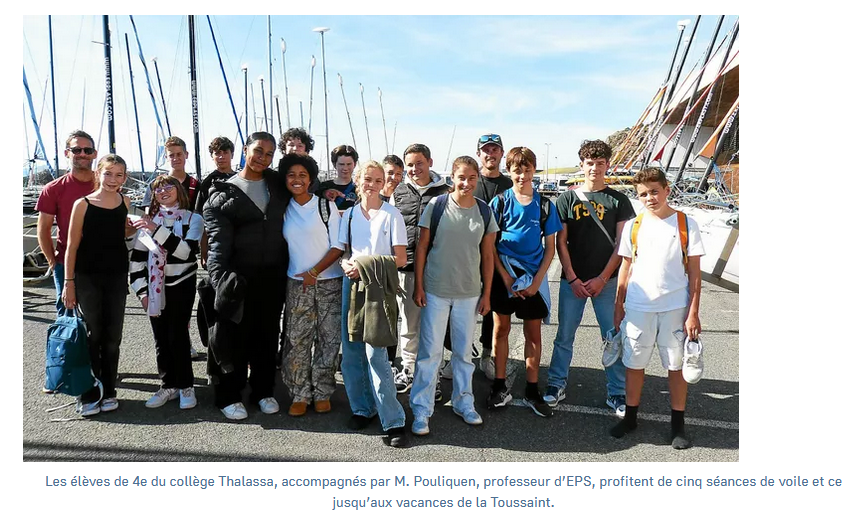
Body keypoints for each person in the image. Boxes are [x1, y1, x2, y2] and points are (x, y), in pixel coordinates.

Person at [611, 167, 704, 449]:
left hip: (675, 306)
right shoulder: (634, 226)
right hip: (638, 307)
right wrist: (618, 304)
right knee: (633, 363)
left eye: (654, 191)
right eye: (643, 194)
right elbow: (625, 267)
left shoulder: (686, 224)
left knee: (676, 366)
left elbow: (694, 273)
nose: (650, 198)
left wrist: (693, 312)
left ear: (666, 190)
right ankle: (630, 417)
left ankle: (677, 424)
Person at [545, 139, 636, 417]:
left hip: (606, 282)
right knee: (564, 335)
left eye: (600, 163)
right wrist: (573, 278)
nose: (594, 168)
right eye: (589, 163)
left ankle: (616, 391)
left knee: (612, 336)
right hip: (572, 280)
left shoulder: (619, 200)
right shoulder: (566, 199)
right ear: (581, 165)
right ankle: (556, 383)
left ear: (607, 165)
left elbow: (622, 245)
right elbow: (561, 242)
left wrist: (602, 278)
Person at [409, 156, 498, 436]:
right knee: (430, 353)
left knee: (463, 353)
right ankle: (421, 409)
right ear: (452, 177)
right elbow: (422, 247)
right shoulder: (437, 206)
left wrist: (487, 294)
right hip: (435, 290)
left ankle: (464, 402)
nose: (466, 183)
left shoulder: (484, 211)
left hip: (469, 293)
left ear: (477, 179)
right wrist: (419, 286)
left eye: (472, 178)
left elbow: (488, 255)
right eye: (461, 177)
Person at [203, 132, 289, 421]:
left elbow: (305, 184)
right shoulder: (222, 194)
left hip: (273, 275)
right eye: (258, 151)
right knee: (234, 338)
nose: (263, 158)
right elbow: (217, 244)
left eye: (269, 154)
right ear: (245, 150)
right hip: (237, 277)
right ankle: (228, 395)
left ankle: (263, 391)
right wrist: (220, 283)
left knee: (267, 335)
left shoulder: (277, 184)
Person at [338, 160, 409, 448]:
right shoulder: (349, 215)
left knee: (377, 355)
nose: (373, 184)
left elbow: (401, 259)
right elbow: (345, 252)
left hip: (378, 287)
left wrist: (364, 265)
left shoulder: (392, 215)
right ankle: (362, 408)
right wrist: (346, 265)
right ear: (358, 181)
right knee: (352, 352)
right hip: (351, 286)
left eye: (378, 180)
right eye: (368, 179)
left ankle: (393, 420)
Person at [488, 146, 562, 417]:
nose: (522, 175)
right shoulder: (499, 202)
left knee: (533, 335)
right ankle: (499, 386)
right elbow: (490, 245)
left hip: (533, 277)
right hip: (504, 275)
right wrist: (506, 277)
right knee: (501, 330)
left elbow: (550, 248)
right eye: (517, 170)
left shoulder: (545, 205)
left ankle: (532, 390)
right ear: (509, 171)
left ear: (534, 170)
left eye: (527, 169)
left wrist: (536, 281)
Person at [61, 154, 136, 416]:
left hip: (116, 276)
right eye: (108, 173)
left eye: (119, 174)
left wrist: (135, 227)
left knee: (113, 337)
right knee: (92, 336)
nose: (113, 179)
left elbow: (121, 233)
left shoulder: (125, 201)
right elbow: (72, 246)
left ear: (124, 178)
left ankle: (109, 390)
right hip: (87, 277)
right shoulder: (82, 204)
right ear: (98, 174)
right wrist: (69, 283)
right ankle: (89, 393)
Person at [130, 175, 203, 411]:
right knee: (160, 338)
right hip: (154, 289)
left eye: (168, 187)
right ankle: (168, 384)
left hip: (181, 284)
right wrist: (142, 293)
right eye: (158, 189)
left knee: (178, 336)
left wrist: (156, 229)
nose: (163, 192)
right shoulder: (148, 223)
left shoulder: (193, 219)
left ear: (179, 190)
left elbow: (185, 253)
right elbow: (137, 262)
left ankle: (186, 385)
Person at [280, 153, 344, 416]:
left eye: (302, 175)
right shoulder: (282, 208)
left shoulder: (325, 206)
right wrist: (305, 276)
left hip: (329, 282)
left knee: (329, 338)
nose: (297, 180)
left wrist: (315, 272)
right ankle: (299, 393)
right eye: (291, 175)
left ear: (311, 179)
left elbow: (338, 246)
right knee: (297, 339)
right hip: (297, 283)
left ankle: (322, 391)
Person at [390, 144, 450, 397]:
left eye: (419, 163)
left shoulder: (445, 193)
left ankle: (432, 377)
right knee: (409, 325)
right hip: (406, 270)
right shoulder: (398, 192)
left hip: (435, 271)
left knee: (433, 328)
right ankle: (409, 369)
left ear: (430, 162)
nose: (414, 169)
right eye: (410, 165)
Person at [36, 130, 99, 318]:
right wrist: (53, 263)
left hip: (101, 264)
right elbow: (43, 229)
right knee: (67, 319)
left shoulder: (106, 184)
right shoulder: (53, 189)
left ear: (94, 154)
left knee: (101, 320)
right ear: (67, 153)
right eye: (77, 150)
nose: (82, 154)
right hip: (65, 264)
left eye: (87, 150)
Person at [472, 133, 513, 380]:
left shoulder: (509, 184)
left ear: (501, 153)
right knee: (461, 308)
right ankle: (460, 353)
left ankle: (487, 355)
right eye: (486, 150)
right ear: (479, 154)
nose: (490, 154)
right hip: (468, 255)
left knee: (492, 309)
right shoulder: (470, 181)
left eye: (495, 149)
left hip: (499, 257)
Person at [196, 137, 236, 268]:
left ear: (232, 155)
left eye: (225, 152)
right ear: (212, 156)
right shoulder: (207, 182)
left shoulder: (240, 179)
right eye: (217, 153)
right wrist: (203, 252)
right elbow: (202, 220)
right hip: (216, 242)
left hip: (239, 241)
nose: (221, 157)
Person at [142, 136, 199, 212]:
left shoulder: (196, 186)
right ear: (166, 157)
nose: (175, 159)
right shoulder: (155, 185)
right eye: (171, 155)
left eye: (179, 154)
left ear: (186, 155)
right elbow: (148, 211)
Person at [317, 145, 359, 210]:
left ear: (355, 164)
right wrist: (324, 193)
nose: (345, 168)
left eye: (349, 164)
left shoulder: (359, 189)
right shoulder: (323, 187)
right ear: (334, 165)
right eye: (341, 164)